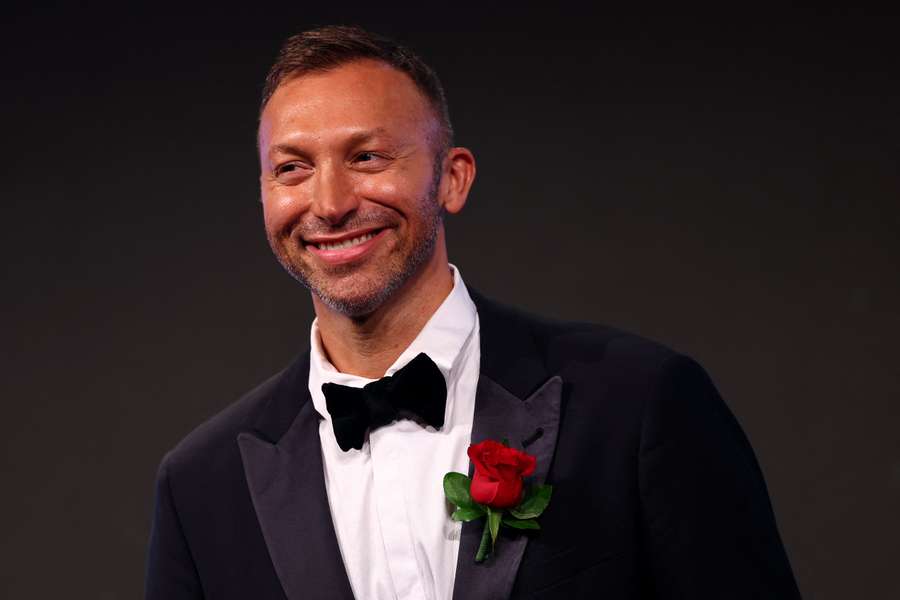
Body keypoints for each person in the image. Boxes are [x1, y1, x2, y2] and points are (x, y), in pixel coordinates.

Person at [145, 25, 801, 600]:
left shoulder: (640, 404)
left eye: (367, 157)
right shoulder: (200, 486)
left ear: (452, 178)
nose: (330, 202)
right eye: (292, 168)